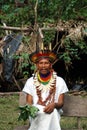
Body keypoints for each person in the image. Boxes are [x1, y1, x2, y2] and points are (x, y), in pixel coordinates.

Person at [22, 49, 68, 130]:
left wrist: (54, 105)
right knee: (40, 112)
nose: (43, 66)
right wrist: (33, 109)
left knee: (52, 112)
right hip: (36, 113)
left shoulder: (60, 81)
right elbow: (29, 103)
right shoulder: (30, 81)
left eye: (46, 63)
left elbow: (61, 103)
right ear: (37, 65)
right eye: (41, 63)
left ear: (51, 65)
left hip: (53, 111)